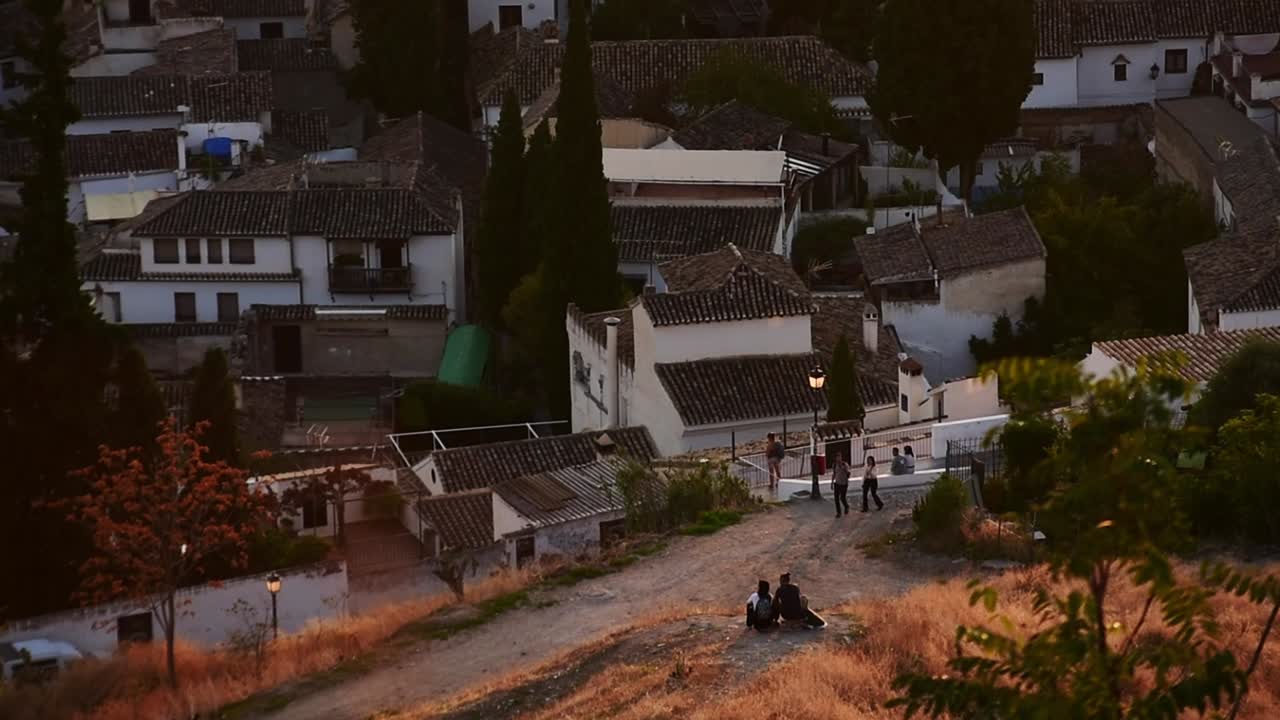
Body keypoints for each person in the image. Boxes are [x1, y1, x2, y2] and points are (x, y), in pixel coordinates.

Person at [831, 451, 851, 517]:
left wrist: (844, 469)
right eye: (837, 457)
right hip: (837, 483)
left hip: (844, 483)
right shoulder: (834, 465)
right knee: (836, 498)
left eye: (839, 457)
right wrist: (831, 482)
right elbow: (834, 474)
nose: (838, 458)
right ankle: (838, 512)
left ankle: (846, 506)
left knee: (842, 498)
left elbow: (848, 474)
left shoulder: (845, 464)